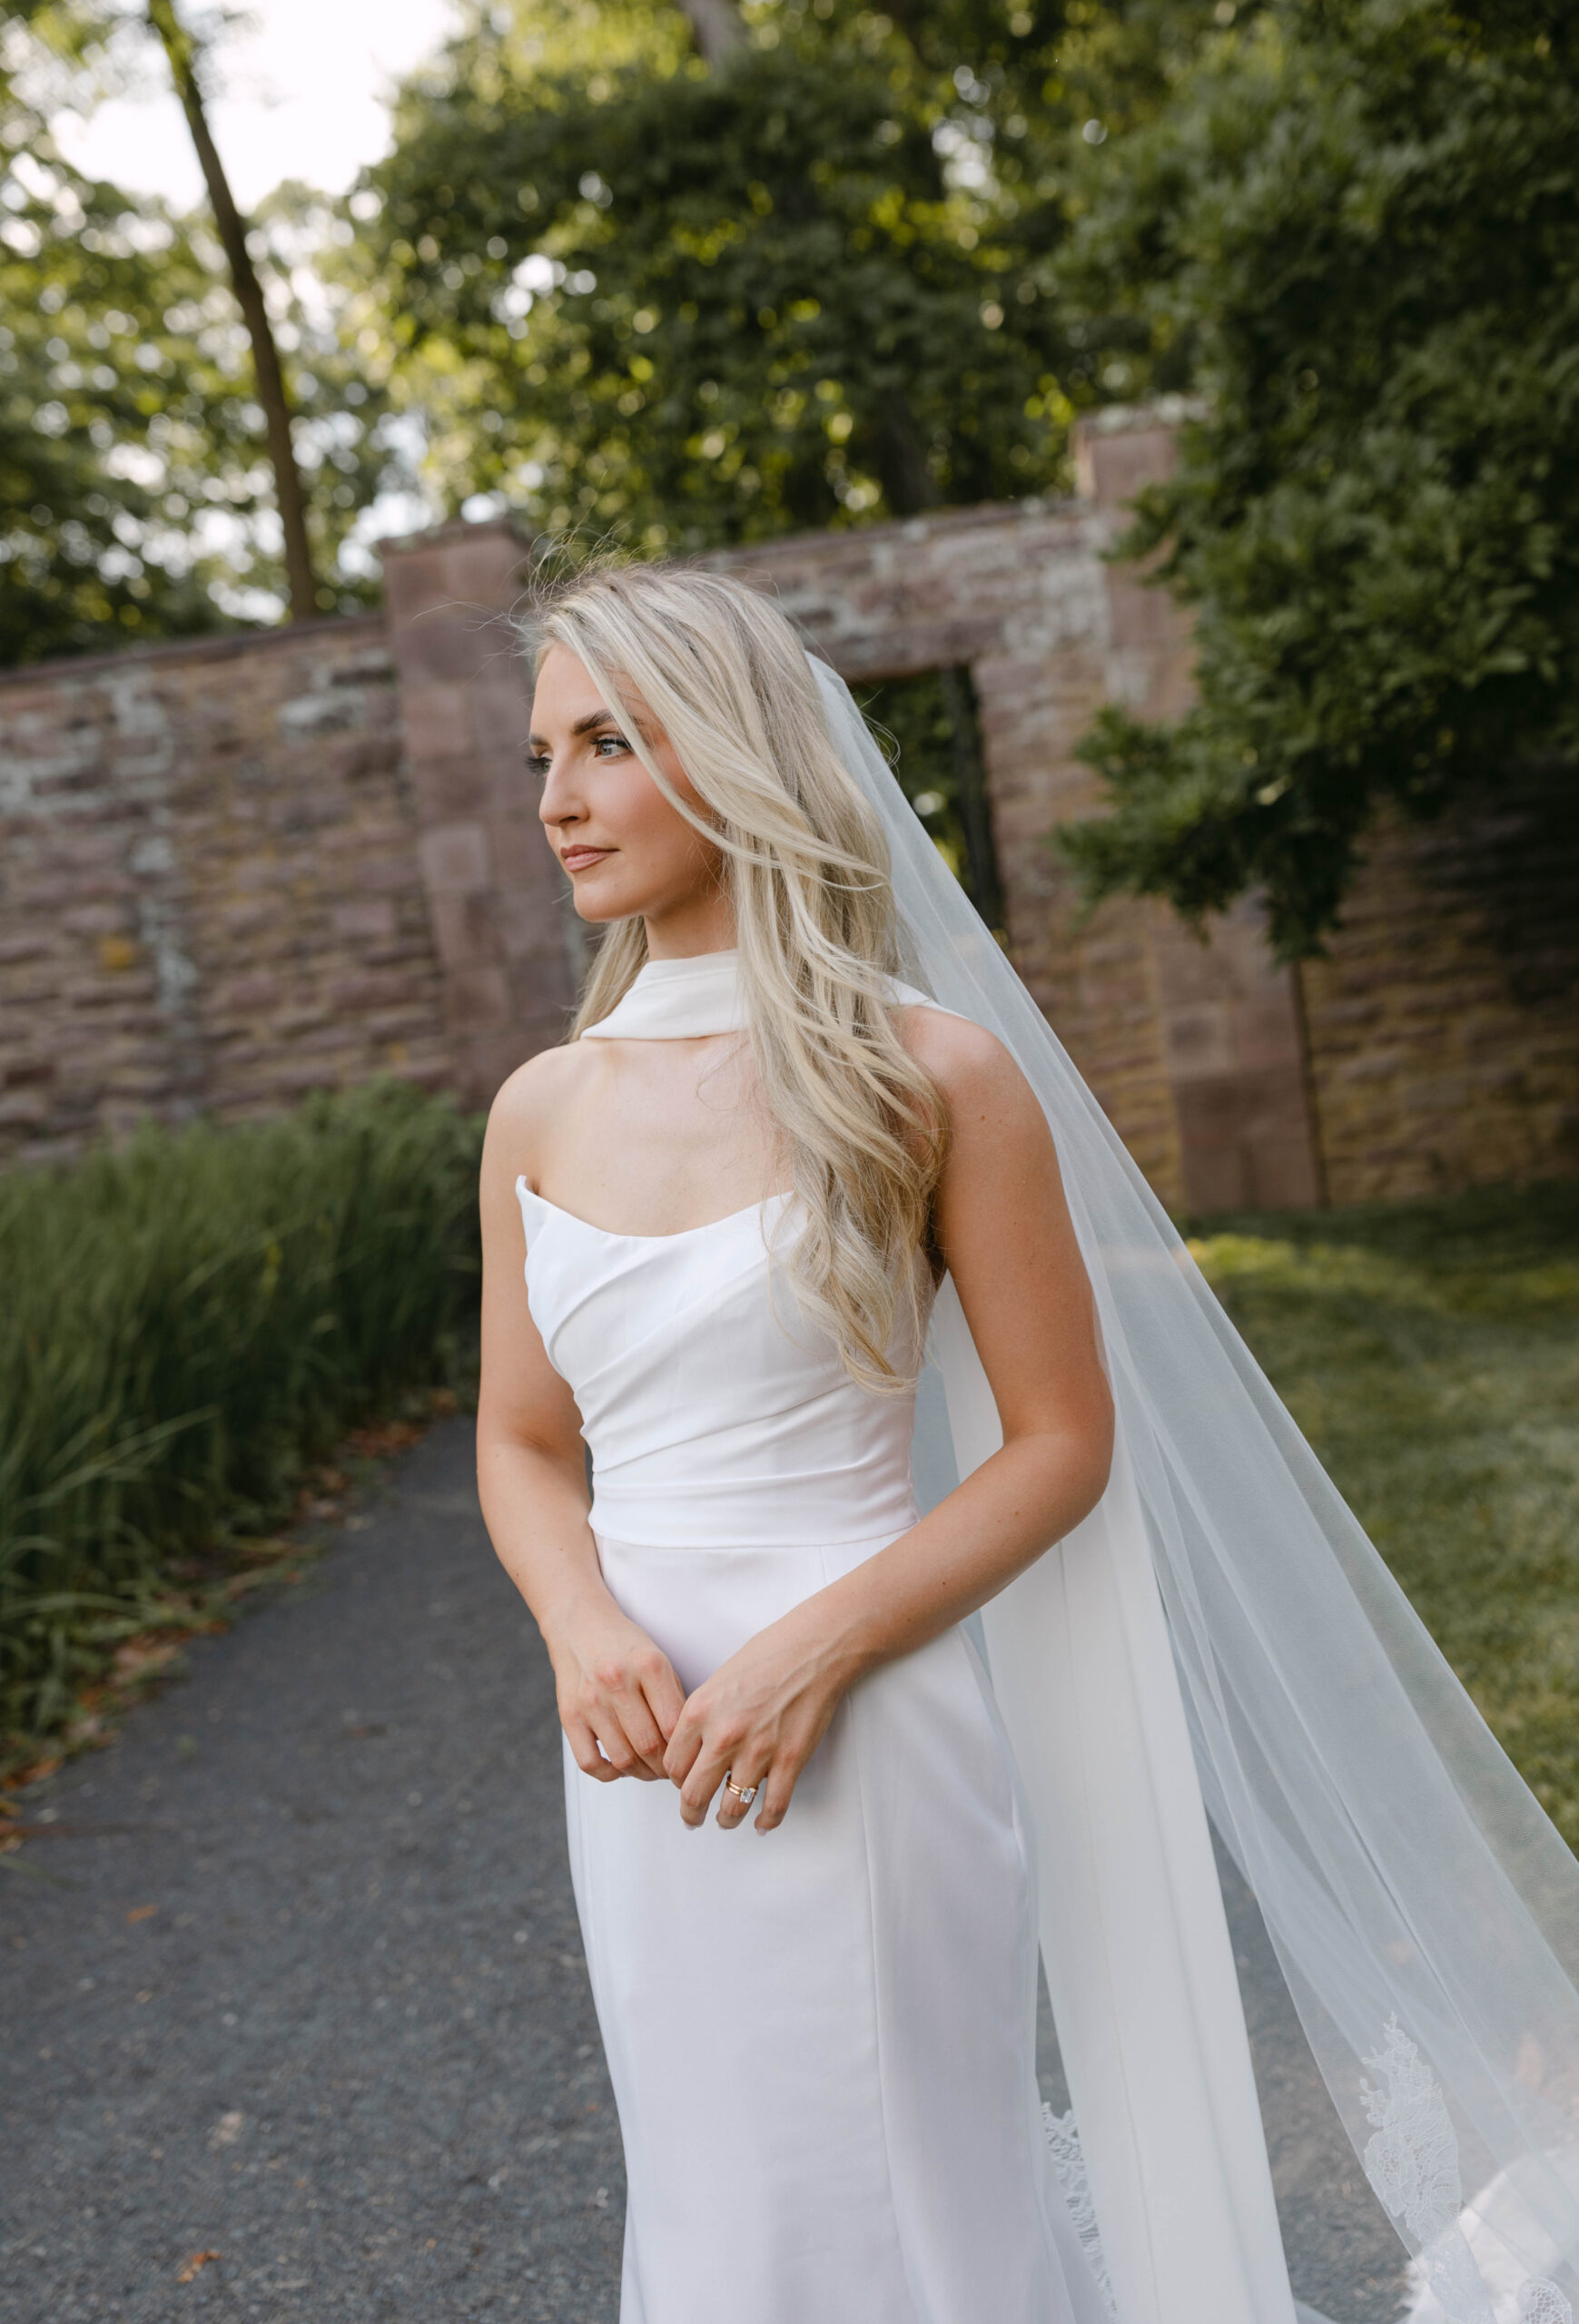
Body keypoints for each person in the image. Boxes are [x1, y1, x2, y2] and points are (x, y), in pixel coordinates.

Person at [476, 565, 1579, 2324]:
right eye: (542, 750)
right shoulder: (540, 1105)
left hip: (866, 1712)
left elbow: (1060, 1440)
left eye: (610, 742)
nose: (557, 799)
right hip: (639, 1753)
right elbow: (524, 1442)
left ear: (743, 753)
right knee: (716, 2193)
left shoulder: (930, 1075)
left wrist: (815, 1646)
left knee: (914, 2187)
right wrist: (582, 1623)